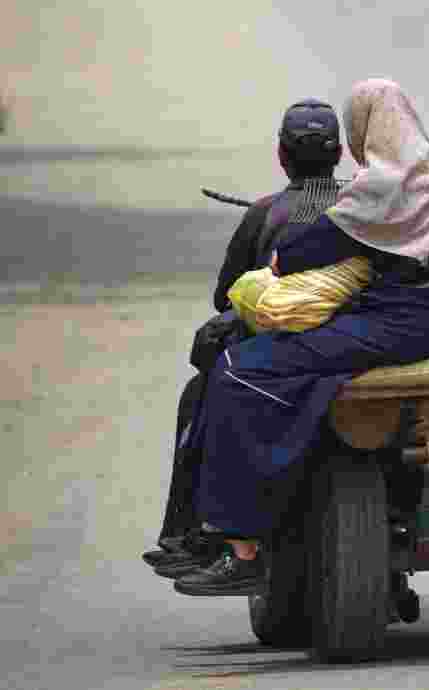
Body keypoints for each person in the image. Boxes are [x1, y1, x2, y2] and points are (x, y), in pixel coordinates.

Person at [173, 79, 429, 596]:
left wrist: (281, 262)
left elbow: (301, 251)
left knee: (240, 368)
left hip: (397, 328)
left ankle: (242, 549)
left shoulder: (379, 189)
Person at [142, 98, 346, 578]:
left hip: (279, 353)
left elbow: (225, 297)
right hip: (351, 343)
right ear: (341, 156)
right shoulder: (362, 206)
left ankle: (193, 533)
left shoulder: (266, 214)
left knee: (202, 390)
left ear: (282, 155)